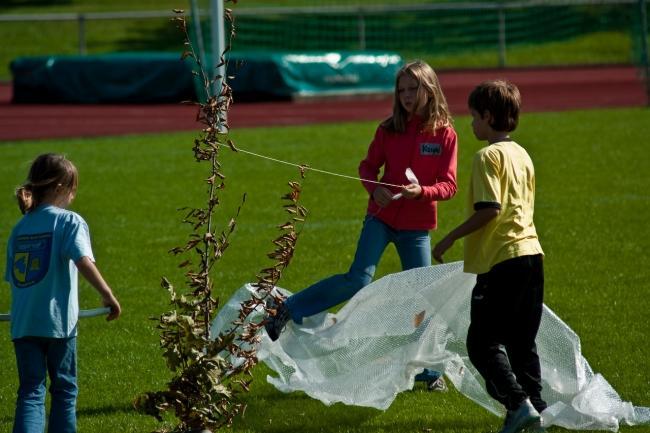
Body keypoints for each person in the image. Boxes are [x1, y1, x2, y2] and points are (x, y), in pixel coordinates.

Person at [265, 60, 458, 390]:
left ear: (430, 89)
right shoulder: (387, 129)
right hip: (380, 219)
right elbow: (368, 167)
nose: (407, 96)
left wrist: (422, 192)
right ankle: (287, 308)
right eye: (402, 90)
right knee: (357, 278)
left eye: (414, 89)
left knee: (423, 297)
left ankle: (427, 371)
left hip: (417, 226)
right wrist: (376, 189)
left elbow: (449, 185)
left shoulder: (445, 135)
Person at [432, 80, 546, 433]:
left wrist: (449, 238)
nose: (471, 125)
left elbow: (489, 209)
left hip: (502, 259)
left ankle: (518, 404)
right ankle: (538, 411)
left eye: (474, 117)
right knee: (522, 342)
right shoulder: (522, 154)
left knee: (481, 343)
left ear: (487, 116)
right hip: (532, 254)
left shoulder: (487, 157)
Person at [5, 153, 121, 433]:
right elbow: (83, 261)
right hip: (58, 324)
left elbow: (14, 279)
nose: (73, 196)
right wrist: (107, 295)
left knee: (31, 390)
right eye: (72, 189)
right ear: (60, 187)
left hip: (23, 324)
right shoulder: (70, 221)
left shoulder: (19, 228)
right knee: (64, 389)